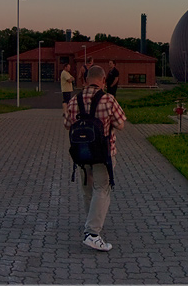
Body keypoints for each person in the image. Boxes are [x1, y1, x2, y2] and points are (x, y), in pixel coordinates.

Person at [64, 65, 126, 252]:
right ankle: (92, 233)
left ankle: (92, 221)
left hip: (82, 154)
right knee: (102, 189)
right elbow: (121, 124)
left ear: (85, 80)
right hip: (103, 154)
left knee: (87, 189)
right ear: (103, 80)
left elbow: (67, 125)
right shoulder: (108, 99)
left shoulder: (75, 101)